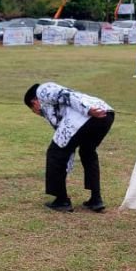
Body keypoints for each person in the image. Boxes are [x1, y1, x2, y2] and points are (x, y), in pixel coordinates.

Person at [24, 82, 115, 212]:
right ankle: (96, 199)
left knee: (54, 153)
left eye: (32, 109)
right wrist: (67, 165)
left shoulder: (42, 90)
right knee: (88, 153)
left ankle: (62, 200)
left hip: (88, 114)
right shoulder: (53, 110)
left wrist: (87, 109)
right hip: (106, 114)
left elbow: (66, 95)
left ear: (34, 101)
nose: (36, 113)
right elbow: (67, 145)